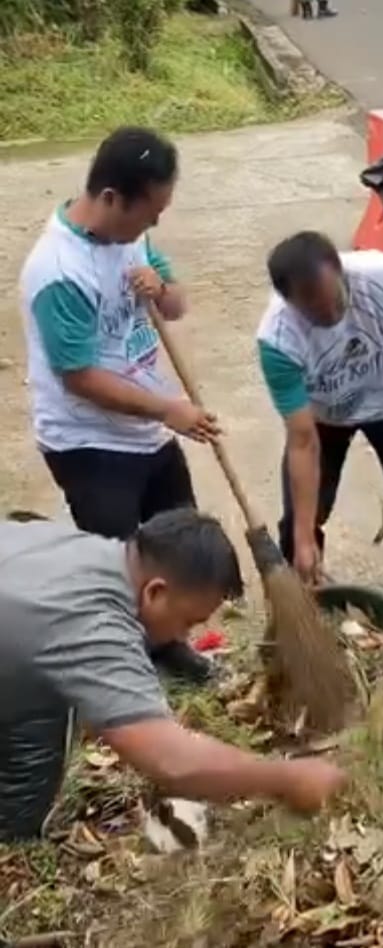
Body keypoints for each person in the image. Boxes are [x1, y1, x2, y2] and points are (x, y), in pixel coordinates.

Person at [0, 508, 345, 842]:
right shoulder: (95, 626)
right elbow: (173, 762)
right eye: (188, 623)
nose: (184, 639)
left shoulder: (87, 550)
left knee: (45, 696)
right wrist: (287, 778)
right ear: (156, 592)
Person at [19, 126, 223, 683]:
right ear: (112, 198)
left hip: (146, 433)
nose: (154, 223)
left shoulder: (132, 237)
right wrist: (166, 410)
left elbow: (177, 307)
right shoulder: (58, 272)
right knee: (119, 568)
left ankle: (169, 644)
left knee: (176, 549)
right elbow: (79, 378)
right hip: (89, 443)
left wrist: (161, 288)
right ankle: (119, 667)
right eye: (150, 211)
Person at [256, 231, 383, 666]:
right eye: (314, 310)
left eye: (336, 300)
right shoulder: (278, 340)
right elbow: (302, 440)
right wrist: (304, 536)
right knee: (300, 522)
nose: (330, 314)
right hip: (323, 418)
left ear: (342, 269)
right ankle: (304, 624)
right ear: (290, 302)